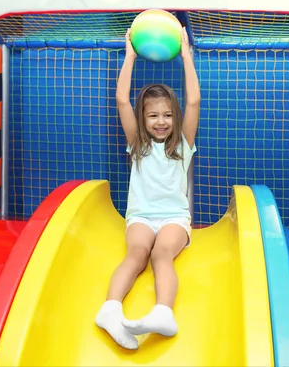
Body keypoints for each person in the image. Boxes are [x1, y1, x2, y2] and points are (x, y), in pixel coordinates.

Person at [95, 26, 201, 350]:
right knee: (137, 253)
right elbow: (121, 101)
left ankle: (162, 312)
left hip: (173, 218)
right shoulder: (137, 144)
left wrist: (187, 57)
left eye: (168, 115)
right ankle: (110, 310)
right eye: (153, 115)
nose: (161, 121)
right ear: (143, 118)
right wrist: (129, 56)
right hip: (140, 215)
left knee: (161, 254)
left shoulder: (182, 144)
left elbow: (194, 100)